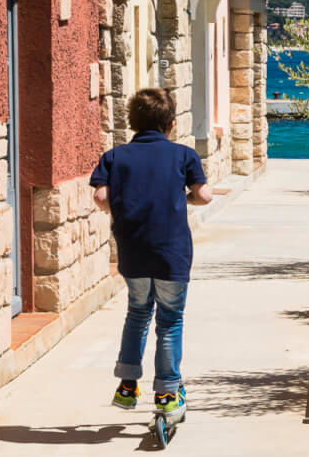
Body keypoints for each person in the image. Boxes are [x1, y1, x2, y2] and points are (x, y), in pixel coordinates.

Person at [88, 87, 224, 424]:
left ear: (132, 122)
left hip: (132, 249)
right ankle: (166, 391)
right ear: (171, 123)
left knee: (137, 312)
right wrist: (184, 199)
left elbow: (102, 198)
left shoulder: (115, 156)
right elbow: (204, 196)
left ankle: (128, 384)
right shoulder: (183, 155)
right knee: (170, 320)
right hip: (171, 252)